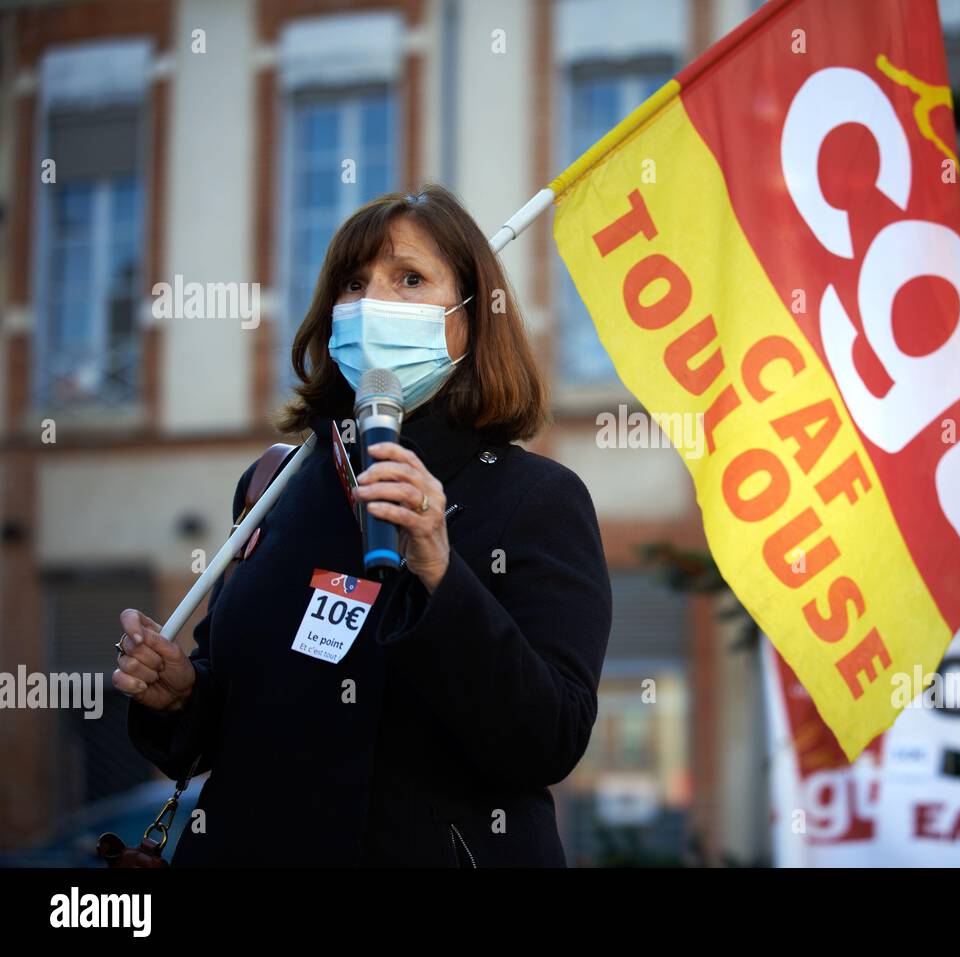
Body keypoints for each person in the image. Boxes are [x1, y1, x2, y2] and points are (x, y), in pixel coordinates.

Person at [112, 185, 613, 867]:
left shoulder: (535, 498)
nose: (372, 302)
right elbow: (232, 725)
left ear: (466, 323)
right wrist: (181, 697)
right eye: (354, 282)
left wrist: (439, 571)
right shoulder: (275, 486)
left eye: (409, 278)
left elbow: (548, 738)